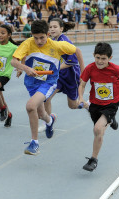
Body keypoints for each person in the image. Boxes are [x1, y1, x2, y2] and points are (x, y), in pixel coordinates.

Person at [11, 20, 83, 155]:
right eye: (35, 37)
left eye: (42, 37)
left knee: (30, 106)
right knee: (40, 114)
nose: (38, 41)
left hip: (48, 82)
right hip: (32, 83)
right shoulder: (27, 43)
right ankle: (50, 121)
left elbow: (77, 51)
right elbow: (13, 61)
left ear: (48, 34)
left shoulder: (57, 45)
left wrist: (83, 72)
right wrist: (24, 68)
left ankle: (34, 143)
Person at [78, 42, 119, 172]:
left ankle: (93, 160)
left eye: (103, 59)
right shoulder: (90, 68)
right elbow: (82, 85)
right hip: (95, 103)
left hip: (112, 103)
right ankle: (111, 120)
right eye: (97, 57)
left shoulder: (115, 69)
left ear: (110, 58)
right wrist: (80, 97)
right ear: (93, 55)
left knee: (98, 129)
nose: (100, 61)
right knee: (98, 129)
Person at [44, 18, 88, 126]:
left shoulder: (64, 41)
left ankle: (87, 105)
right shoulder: (53, 40)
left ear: (61, 28)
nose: (52, 29)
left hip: (71, 76)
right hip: (59, 77)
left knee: (72, 105)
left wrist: (83, 72)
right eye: (50, 27)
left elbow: (72, 61)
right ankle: (49, 122)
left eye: (55, 27)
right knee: (46, 97)